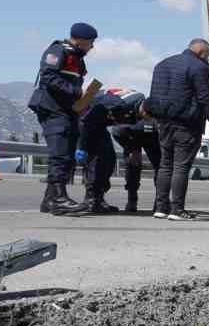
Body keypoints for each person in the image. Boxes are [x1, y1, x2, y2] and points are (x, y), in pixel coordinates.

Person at [26, 22, 97, 215]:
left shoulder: (77, 58)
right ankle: (58, 199)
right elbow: (48, 77)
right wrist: (77, 91)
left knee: (66, 155)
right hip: (52, 109)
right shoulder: (58, 50)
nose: (92, 47)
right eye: (91, 43)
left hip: (67, 111)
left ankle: (49, 200)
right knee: (60, 154)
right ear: (81, 40)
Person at [145, 39, 209, 220]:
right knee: (181, 167)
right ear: (202, 52)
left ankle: (160, 208)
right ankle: (177, 209)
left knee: (165, 165)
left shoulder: (161, 64)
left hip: (163, 123)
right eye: (207, 56)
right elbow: (205, 98)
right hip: (187, 124)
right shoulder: (199, 67)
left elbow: (154, 94)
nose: (208, 60)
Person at [76, 88, 149, 214]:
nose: (145, 120)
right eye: (146, 116)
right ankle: (91, 200)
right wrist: (81, 147)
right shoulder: (119, 104)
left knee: (109, 159)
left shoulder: (136, 104)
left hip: (97, 121)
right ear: (144, 109)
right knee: (97, 161)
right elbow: (86, 121)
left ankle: (98, 198)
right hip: (84, 116)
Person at [109, 98, 164, 214]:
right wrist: (133, 149)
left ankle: (160, 202)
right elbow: (117, 131)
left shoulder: (153, 119)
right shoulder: (125, 106)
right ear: (143, 111)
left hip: (151, 138)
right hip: (130, 137)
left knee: (161, 167)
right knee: (132, 165)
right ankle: (132, 200)